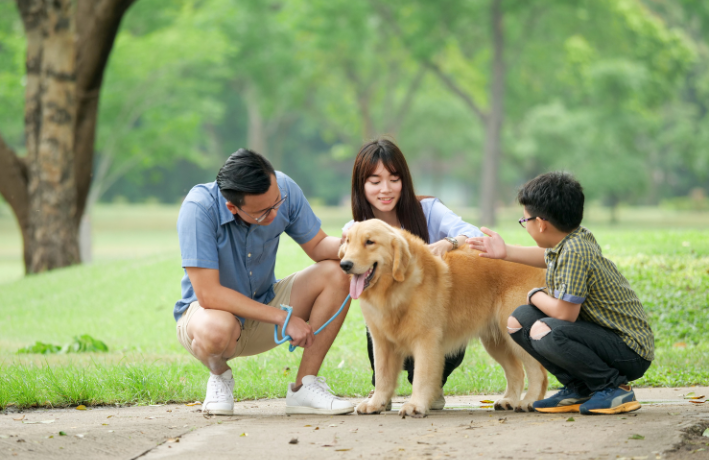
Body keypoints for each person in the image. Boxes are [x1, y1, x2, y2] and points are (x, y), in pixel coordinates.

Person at [174, 148, 354, 416]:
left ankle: (304, 387)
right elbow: (208, 295)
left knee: (339, 272)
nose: (273, 216)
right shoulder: (199, 208)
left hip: (263, 305)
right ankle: (220, 376)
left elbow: (318, 245)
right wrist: (283, 318)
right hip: (210, 318)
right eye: (262, 213)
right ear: (232, 207)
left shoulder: (283, 189)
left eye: (276, 204)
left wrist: (356, 240)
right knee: (215, 330)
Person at [467, 171, 654, 415]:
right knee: (518, 321)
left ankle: (611, 388)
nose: (525, 226)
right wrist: (505, 252)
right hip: (603, 339)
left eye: (525, 221)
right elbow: (543, 257)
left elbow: (565, 314)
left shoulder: (575, 252)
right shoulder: (568, 241)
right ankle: (579, 388)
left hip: (630, 350)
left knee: (544, 330)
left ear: (542, 223)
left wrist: (535, 294)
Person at [343, 138, 484, 410]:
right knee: (377, 325)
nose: (386, 189)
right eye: (375, 181)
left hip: (432, 314)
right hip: (387, 314)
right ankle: (382, 391)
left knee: (438, 325)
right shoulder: (355, 229)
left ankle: (430, 388)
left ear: (404, 180)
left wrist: (449, 242)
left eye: (394, 179)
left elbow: (475, 234)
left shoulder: (428, 209)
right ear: (361, 186)